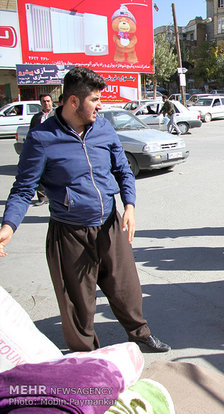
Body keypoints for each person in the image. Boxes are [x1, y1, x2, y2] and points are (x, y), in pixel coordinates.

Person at [0, 67, 170, 353]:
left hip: (109, 225)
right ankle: (85, 356)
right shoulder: (42, 138)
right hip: (69, 233)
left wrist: (129, 204)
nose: (100, 104)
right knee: (78, 303)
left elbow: (123, 170)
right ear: (74, 102)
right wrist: (8, 226)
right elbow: (23, 188)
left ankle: (140, 335)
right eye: (94, 99)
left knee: (127, 290)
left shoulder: (103, 128)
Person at [28, 94, 55, 207]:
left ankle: (55, 196)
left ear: (52, 102)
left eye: (48, 101)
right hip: (40, 150)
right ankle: (42, 197)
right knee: (40, 173)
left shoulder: (57, 115)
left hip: (55, 148)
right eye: (44, 101)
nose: (46, 103)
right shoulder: (36, 118)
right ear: (41, 103)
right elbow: (32, 133)